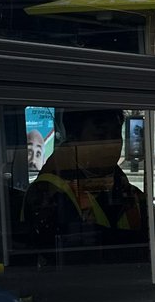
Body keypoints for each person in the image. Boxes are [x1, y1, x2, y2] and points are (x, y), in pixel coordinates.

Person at [20, 107, 147, 259]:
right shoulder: (48, 191)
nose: (111, 144)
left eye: (115, 135)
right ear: (74, 139)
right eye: (100, 136)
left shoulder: (129, 192)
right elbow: (81, 250)